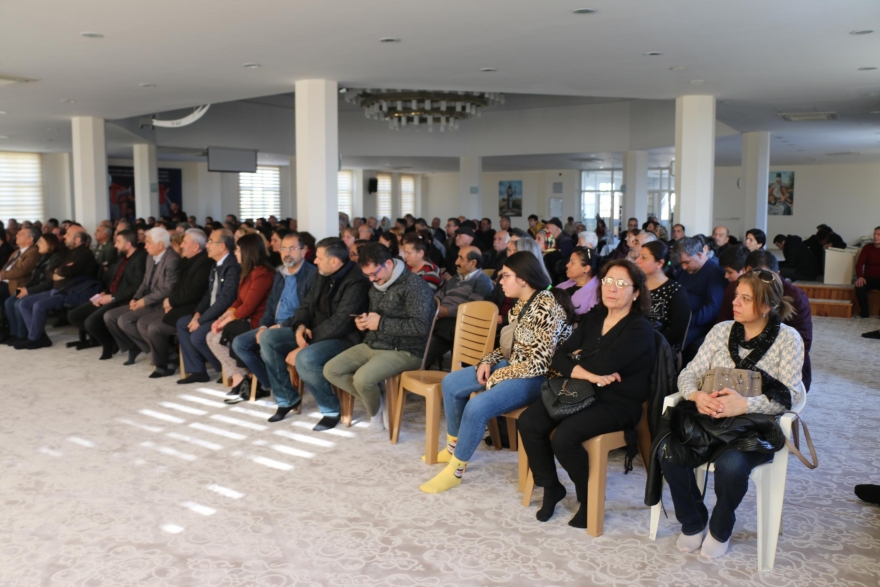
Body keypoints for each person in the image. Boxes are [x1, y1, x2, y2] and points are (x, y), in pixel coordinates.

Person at [658, 270, 804, 559]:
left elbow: (791, 395)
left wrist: (746, 406)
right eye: (736, 295)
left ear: (765, 306)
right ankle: (693, 521)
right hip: (707, 419)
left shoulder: (788, 339)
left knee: (732, 466)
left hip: (751, 429)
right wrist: (696, 396)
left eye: (745, 298)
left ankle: (721, 527)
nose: (735, 302)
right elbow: (690, 373)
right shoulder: (721, 330)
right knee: (668, 452)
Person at [419, 251, 575, 494]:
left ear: (523, 279)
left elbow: (541, 364)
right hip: (516, 367)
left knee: (477, 406)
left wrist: (498, 375)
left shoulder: (546, 305)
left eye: (506, 276)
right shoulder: (522, 303)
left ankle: (456, 471)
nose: (500, 281)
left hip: (540, 378)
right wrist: (487, 362)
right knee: (451, 383)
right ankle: (453, 447)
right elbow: (508, 347)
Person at [518, 259, 656, 525]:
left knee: (564, 438)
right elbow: (559, 357)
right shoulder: (595, 317)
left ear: (636, 291)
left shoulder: (639, 329)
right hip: (578, 390)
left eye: (620, 284)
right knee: (529, 422)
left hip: (617, 402)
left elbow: (604, 363)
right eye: (607, 281)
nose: (611, 289)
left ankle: (588, 498)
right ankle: (551, 486)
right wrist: (591, 373)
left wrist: (580, 359)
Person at [324, 243, 436, 432]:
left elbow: (420, 327)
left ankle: (374, 409)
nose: (372, 279)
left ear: (389, 264)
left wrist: (380, 323)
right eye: (367, 275)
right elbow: (375, 315)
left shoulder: (416, 287)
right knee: (331, 370)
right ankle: (378, 399)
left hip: (405, 350)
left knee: (362, 379)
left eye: (374, 273)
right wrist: (364, 321)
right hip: (374, 343)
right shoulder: (376, 284)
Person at [261, 237, 370, 428]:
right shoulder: (323, 272)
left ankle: (330, 409)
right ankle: (287, 398)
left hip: (345, 338)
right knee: (268, 338)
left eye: (319, 257)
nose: (315, 261)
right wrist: (300, 327)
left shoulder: (356, 281)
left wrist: (306, 344)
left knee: (306, 358)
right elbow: (306, 305)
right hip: (314, 331)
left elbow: (341, 323)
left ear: (334, 261)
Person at [223, 233, 316, 399]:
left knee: (267, 339)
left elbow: (308, 311)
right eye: (284, 248)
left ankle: (284, 395)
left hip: (296, 327)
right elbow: (270, 305)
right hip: (273, 326)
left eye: (293, 248)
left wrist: (278, 327)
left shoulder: (312, 275)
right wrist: (264, 326)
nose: (287, 252)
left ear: (303, 251)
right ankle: (273, 385)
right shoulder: (280, 273)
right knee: (240, 343)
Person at [717, 250, 814, 391]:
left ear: (777, 275)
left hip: (780, 360)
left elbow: (803, 343)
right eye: (751, 274)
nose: (756, 283)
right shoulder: (734, 289)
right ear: (745, 272)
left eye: (763, 276)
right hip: (737, 352)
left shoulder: (795, 297)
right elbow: (723, 324)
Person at [132, 229, 214, 376]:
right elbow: (176, 287)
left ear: (195, 247)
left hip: (190, 308)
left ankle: (161, 363)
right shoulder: (187, 260)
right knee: (143, 324)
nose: (181, 245)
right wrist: (170, 302)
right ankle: (170, 358)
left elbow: (194, 292)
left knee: (154, 328)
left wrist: (171, 301)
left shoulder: (205, 263)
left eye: (184, 242)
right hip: (177, 305)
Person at [205, 233, 276, 399]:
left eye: (238, 250)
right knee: (211, 336)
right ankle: (240, 378)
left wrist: (225, 322)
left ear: (248, 251)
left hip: (257, 321)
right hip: (244, 318)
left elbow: (249, 306)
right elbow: (238, 301)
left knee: (216, 338)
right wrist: (221, 318)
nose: (235, 253)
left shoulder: (263, 273)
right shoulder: (249, 271)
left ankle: (246, 379)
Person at [104, 227, 181, 364]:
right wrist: (135, 297)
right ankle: (141, 346)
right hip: (147, 300)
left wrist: (144, 301)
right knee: (110, 316)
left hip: (160, 303)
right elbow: (145, 281)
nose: (145, 246)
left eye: (148, 243)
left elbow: (168, 289)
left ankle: (167, 354)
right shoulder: (150, 256)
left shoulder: (172, 259)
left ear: (160, 245)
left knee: (125, 321)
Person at [16, 226, 101, 349]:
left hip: (70, 292)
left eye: (67, 234)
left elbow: (66, 270)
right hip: (57, 290)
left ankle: (34, 339)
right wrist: (57, 273)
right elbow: (50, 271)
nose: (64, 236)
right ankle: (40, 337)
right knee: (23, 303)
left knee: (39, 305)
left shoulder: (86, 254)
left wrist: (61, 270)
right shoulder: (68, 252)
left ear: (77, 239)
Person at [176, 229, 241, 383]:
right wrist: (198, 314)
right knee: (182, 323)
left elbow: (225, 300)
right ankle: (197, 370)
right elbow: (208, 294)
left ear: (222, 246)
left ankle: (226, 368)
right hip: (211, 312)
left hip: (224, 315)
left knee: (198, 336)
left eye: (211, 241)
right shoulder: (215, 265)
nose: (207, 245)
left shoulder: (232, 267)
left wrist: (201, 320)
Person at [68, 229, 147, 357]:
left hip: (123, 299)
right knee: (74, 315)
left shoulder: (139, 259)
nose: (115, 245)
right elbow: (115, 280)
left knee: (91, 322)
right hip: (110, 295)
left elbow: (136, 287)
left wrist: (112, 298)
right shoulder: (123, 258)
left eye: (118, 242)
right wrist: (104, 293)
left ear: (128, 244)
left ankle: (108, 343)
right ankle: (107, 339)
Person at [424, 246, 494, 368]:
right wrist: (434, 310)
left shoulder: (483, 282)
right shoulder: (456, 278)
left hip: (459, 327)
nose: (456, 262)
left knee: (423, 352)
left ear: (473, 263)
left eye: (461, 258)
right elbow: (438, 297)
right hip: (441, 322)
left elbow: (471, 309)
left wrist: (445, 312)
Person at [675, 237, 728, 364]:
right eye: (681, 263)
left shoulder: (715, 271)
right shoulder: (683, 272)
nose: (683, 267)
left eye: (687, 262)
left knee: (676, 342)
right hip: (682, 319)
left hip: (700, 323)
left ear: (699, 255)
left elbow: (713, 308)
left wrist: (688, 322)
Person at [3, 234, 61, 347]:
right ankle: (15, 334)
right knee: (9, 301)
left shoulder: (56, 259)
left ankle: (23, 335)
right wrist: (24, 288)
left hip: (47, 290)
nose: (37, 244)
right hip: (33, 288)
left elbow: (49, 283)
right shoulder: (42, 257)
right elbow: (33, 277)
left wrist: (28, 290)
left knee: (19, 303)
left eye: (41, 242)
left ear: (50, 244)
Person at [636, 240, 691, 352]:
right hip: (635, 340)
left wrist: (649, 344)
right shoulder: (636, 286)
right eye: (638, 257)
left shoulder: (675, 291)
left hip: (660, 348)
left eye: (644, 258)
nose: (637, 261)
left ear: (660, 263)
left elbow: (677, 329)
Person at [0, 226, 40, 307]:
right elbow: (6, 267)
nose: (16, 235)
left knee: (8, 301)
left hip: (16, 285)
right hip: (5, 281)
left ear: (30, 239)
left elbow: (21, 271)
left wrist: (1, 275)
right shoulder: (16, 252)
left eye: (20, 234)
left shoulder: (33, 252)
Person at [556, 248, 600, 315]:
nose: (567, 265)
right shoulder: (565, 284)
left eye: (572, 262)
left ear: (586, 268)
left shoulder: (595, 294)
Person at [855, 227, 880, 320]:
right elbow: (859, 264)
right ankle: (864, 312)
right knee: (859, 286)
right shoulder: (867, 248)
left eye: (879, 234)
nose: (876, 237)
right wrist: (860, 277)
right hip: (869, 278)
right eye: (874, 234)